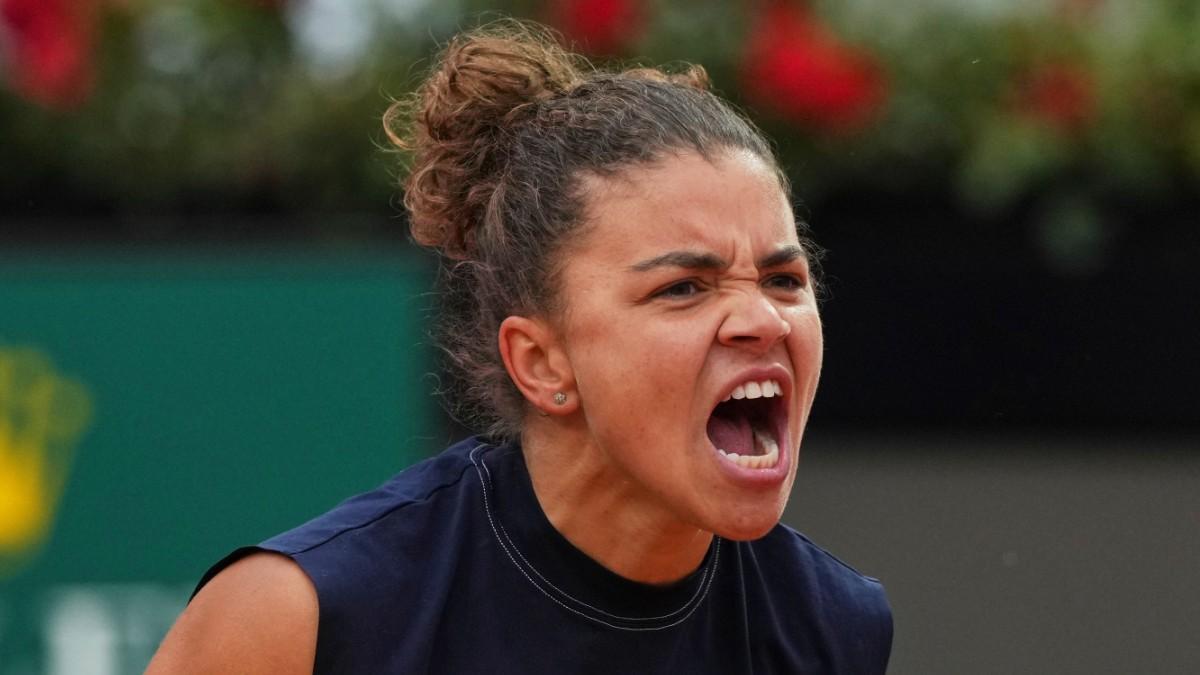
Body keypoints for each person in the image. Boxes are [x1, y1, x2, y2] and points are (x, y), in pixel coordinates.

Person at [148, 20, 892, 674]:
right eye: (684, 288)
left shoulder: (830, 626)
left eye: (783, 277)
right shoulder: (294, 616)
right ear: (541, 362)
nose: (761, 318)